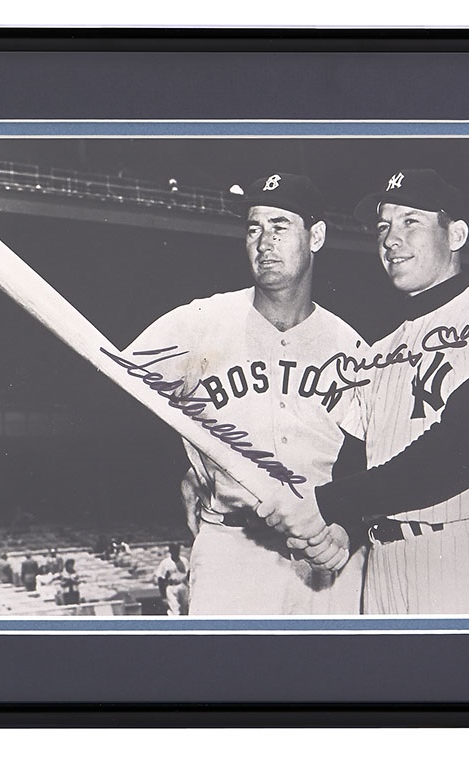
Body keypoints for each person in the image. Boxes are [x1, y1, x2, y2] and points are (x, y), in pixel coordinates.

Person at [259, 168, 469, 615]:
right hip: (384, 568)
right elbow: (357, 461)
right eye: (383, 227)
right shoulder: (380, 351)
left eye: (410, 221)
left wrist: (326, 504)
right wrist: (344, 530)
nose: (390, 239)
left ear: (455, 234)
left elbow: (462, 452)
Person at [125, 172, 368, 615]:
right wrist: (184, 469)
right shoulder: (199, 322)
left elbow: (372, 453)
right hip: (232, 545)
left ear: (316, 236)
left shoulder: (350, 345)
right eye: (254, 228)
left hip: (324, 550)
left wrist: (350, 524)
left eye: (280, 226)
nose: (264, 241)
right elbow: (122, 385)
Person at [154, 543, 190, 615]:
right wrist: (163, 596)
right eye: (174, 550)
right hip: (172, 587)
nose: (176, 552)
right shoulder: (165, 562)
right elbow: (161, 579)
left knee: (185, 610)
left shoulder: (184, 561)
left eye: (177, 550)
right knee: (175, 611)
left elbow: (189, 575)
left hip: (183, 586)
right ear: (170, 551)